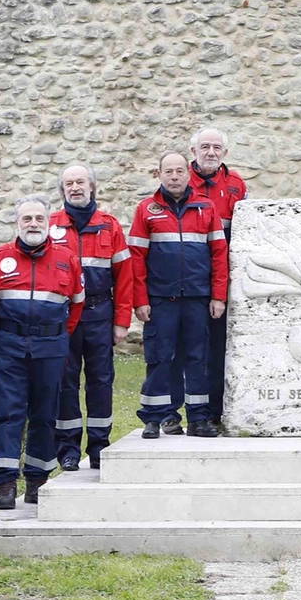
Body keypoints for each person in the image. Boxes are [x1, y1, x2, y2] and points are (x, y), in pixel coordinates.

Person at [0, 195, 85, 509]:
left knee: (44, 414)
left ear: (49, 222)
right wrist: (8, 335)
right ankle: (6, 484)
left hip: (51, 346)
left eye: (39, 219)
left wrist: (53, 336)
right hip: (10, 346)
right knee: (7, 413)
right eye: (27, 219)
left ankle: (37, 480)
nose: (33, 224)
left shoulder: (66, 258)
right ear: (17, 223)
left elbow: (76, 305)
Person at [129, 152, 228, 439]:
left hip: (198, 298)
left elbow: (219, 256)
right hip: (161, 299)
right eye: (168, 171)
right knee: (160, 358)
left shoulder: (206, 207)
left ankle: (198, 418)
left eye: (179, 171)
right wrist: (141, 300)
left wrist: (218, 296)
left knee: (198, 358)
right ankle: (157, 418)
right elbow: (136, 259)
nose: (174, 176)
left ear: (188, 174)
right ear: (159, 175)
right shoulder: (146, 210)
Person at [48, 165, 134, 470]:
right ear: (63, 190)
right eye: (68, 183)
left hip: (100, 314)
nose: (75, 187)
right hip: (63, 317)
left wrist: (122, 321)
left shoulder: (109, 226)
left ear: (92, 186)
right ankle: (68, 448)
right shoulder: (50, 226)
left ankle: (99, 445)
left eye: (80, 182)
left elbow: (125, 277)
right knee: (65, 382)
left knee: (100, 381)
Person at [187, 128, 247, 431]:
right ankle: (183, 411)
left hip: (223, 272)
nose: (211, 152)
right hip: (189, 271)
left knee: (219, 345)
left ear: (225, 152)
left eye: (217, 148)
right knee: (189, 346)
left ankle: (216, 409)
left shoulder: (236, 185)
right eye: (205, 147)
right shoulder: (179, 180)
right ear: (194, 151)